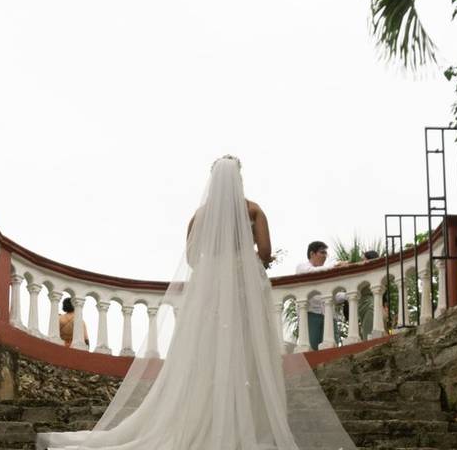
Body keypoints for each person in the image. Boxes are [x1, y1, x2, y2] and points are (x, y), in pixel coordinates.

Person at [36, 156, 357, 450]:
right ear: (239, 180)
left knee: (208, 354)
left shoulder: (200, 216)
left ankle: (206, 420)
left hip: (214, 290)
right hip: (245, 288)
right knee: (248, 353)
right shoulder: (254, 210)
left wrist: (215, 265)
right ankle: (246, 425)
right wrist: (244, 261)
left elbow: (190, 258)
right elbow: (267, 252)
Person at [295, 241, 351, 350]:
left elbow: (334, 296)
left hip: (329, 316)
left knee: (332, 348)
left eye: (326, 253)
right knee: (311, 349)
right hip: (311, 315)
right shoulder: (302, 267)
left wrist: (347, 295)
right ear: (312, 254)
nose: (325, 256)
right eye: (322, 253)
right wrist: (335, 266)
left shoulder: (326, 272)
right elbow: (310, 272)